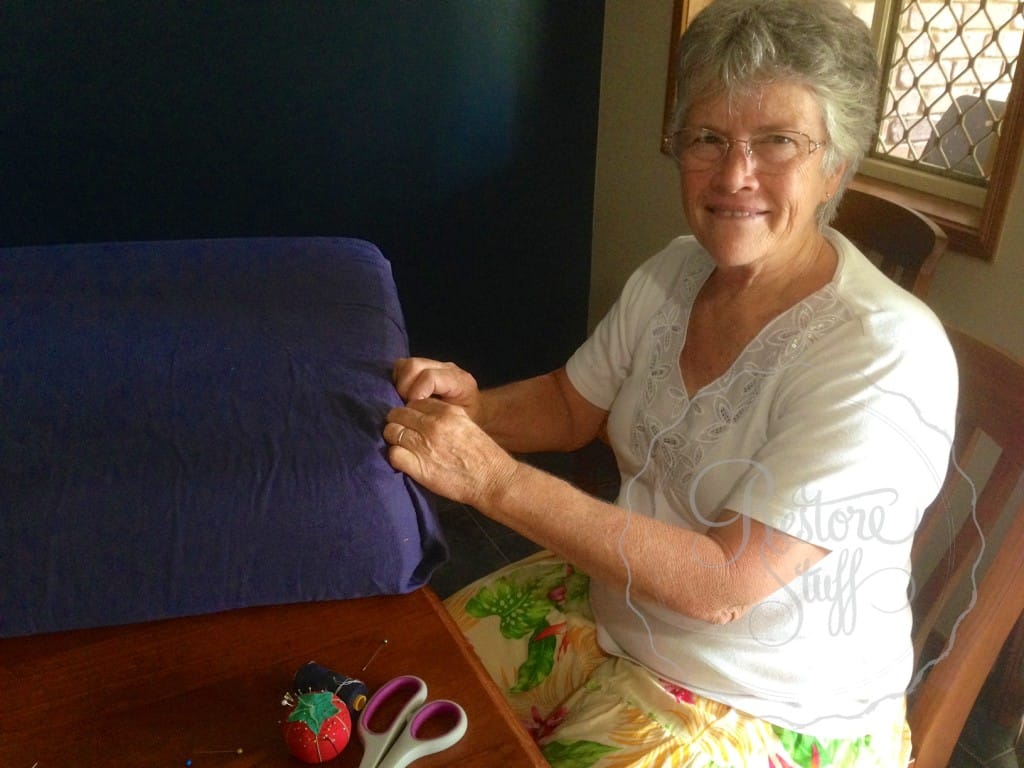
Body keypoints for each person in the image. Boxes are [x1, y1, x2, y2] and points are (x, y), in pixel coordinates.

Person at [384, 0, 958, 765]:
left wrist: (492, 482)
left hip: (758, 703)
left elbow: (723, 585)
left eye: (778, 141)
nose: (733, 176)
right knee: (390, 692)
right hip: (612, 608)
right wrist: (474, 406)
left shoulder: (884, 353)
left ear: (836, 167)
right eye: (709, 138)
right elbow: (569, 403)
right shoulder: (676, 270)